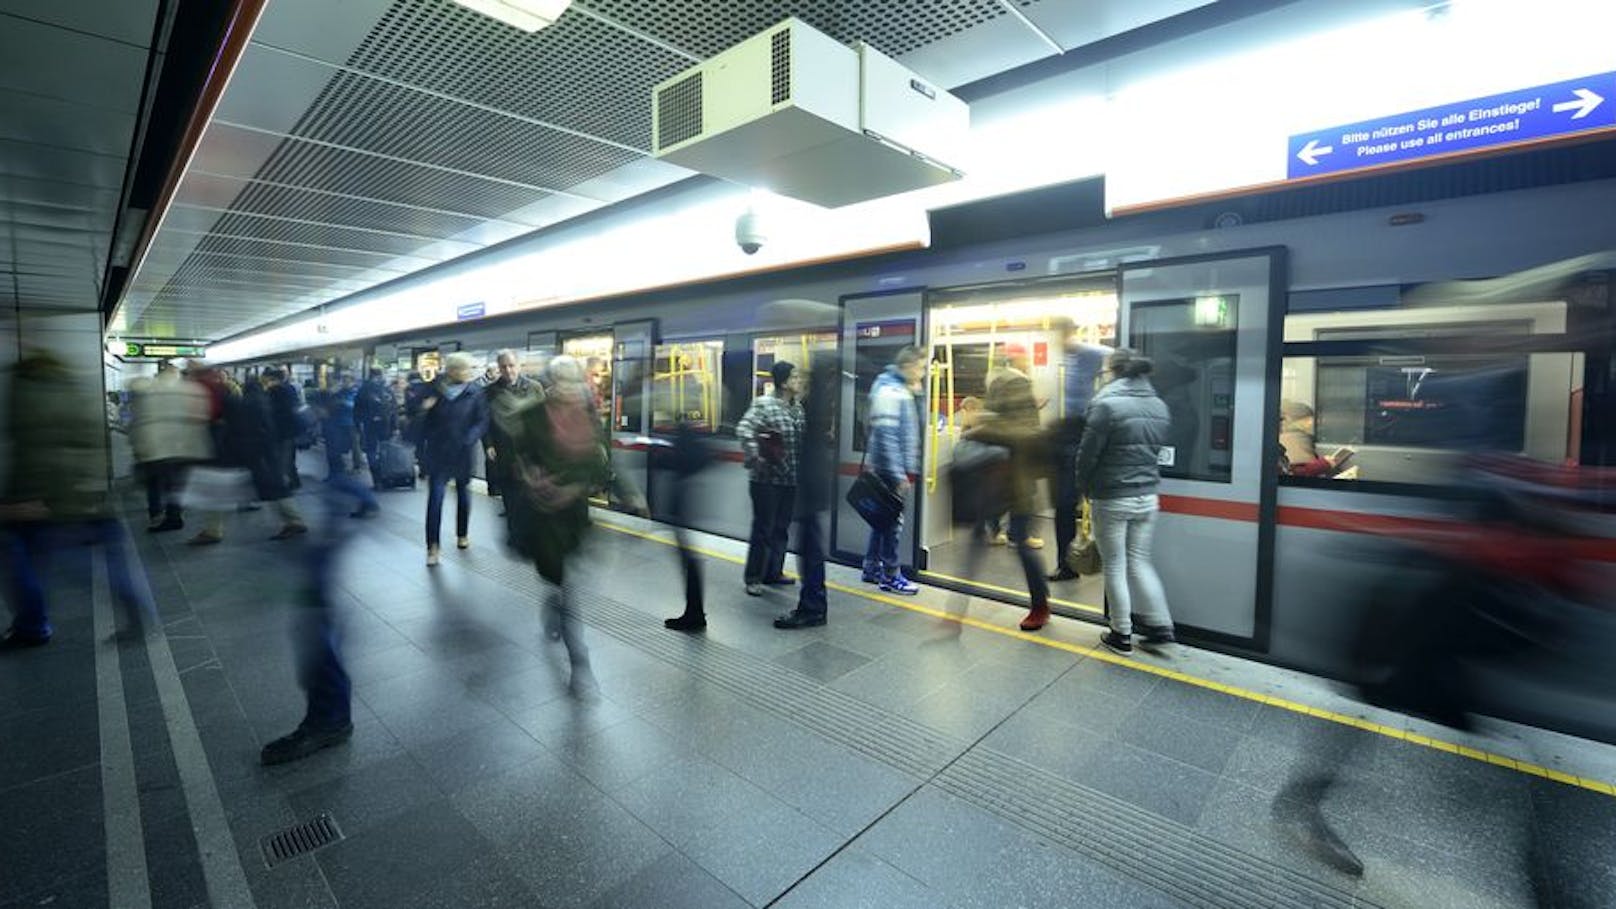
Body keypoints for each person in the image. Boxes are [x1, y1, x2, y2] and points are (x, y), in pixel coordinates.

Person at [498, 355, 645, 694]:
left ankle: (555, 606)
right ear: (550, 384)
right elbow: (512, 460)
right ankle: (580, 663)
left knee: (568, 583)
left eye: (572, 381)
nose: (567, 389)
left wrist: (631, 494)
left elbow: (602, 460)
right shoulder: (530, 416)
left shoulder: (586, 417)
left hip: (575, 515)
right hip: (543, 517)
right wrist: (530, 476)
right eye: (561, 382)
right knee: (567, 586)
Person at [2, 351, 155, 648]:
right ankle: (138, 612)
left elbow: (32, 457)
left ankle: (32, 626)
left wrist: (21, 500)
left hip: (48, 503)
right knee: (109, 565)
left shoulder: (26, 396)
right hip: (90, 497)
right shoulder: (78, 393)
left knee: (35, 563)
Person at [1075, 348, 1175, 655]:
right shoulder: (1159, 405)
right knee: (1139, 560)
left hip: (1113, 497)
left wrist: (1084, 488)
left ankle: (1121, 633)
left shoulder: (1105, 404)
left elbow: (1087, 455)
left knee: (1115, 565)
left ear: (1112, 370)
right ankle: (1160, 624)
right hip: (1147, 497)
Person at [965, 359, 1053, 631]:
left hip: (1017, 484)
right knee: (981, 536)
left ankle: (1040, 604)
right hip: (995, 481)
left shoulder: (1018, 405)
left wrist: (984, 428)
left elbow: (1022, 437)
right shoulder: (1007, 400)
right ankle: (955, 609)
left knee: (1021, 543)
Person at [775, 352, 837, 629]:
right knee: (809, 548)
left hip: (810, 487)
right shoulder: (820, 401)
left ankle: (812, 607)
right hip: (813, 484)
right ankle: (812, 604)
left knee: (809, 550)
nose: (800, 380)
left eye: (804, 375)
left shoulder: (814, 402)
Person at [735, 360, 804, 596]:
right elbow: (744, 429)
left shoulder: (797, 408)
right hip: (765, 481)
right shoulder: (764, 405)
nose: (799, 382)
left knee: (781, 528)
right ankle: (753, 577)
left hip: (790, 479)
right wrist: (757, 456)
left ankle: (773, 572)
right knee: (763, 529)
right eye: (795, 378)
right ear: (784, 382)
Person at [1050, 320, 1111, 580]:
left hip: (1080, 430)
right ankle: (1067, 564)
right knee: (1062, 506)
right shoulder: (1061, 358)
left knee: (1066, 504)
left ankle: (1074, 564)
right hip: (1062, 432)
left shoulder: (1088, 353)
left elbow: (1114, 356)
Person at [862, 345, 925, 595]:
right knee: (892, 525)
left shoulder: (901, 389)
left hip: (893, 467)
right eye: (920, 367)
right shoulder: (890, 391)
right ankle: (890, 576)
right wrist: (899, 475)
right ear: (908, 366)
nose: (923, 372)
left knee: (882, 521)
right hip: (890, 470)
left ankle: (870, 567)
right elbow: (886, 436)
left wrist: (917, 395)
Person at [416, 352, 489, 565]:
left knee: (463, 496)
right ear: (452, 371)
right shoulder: (434, 390)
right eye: (466, 369)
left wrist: (471, 437)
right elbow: (421, 421)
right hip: (438, 453)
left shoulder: (475, 393)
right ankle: (432, 547)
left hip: (463, 453)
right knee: (435, 499)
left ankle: (462, 533)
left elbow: (482, 420)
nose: (470, 373)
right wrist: (423, 409)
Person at [129, 360, 212, 532]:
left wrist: (137, 445)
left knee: (154, 484)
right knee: (177, 484)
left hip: (155, 447)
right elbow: (201, 419)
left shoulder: (149, 390)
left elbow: (139, 421)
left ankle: (156, 516)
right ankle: (174, 515)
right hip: (184, 447)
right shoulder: (194, 390)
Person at [661, 419, 715, 632]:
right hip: (692, 502)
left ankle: (694, 614)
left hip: (685, 504)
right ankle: (695, 612)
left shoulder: (683, 435)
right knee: (690, 558)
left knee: (689, 559)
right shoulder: (694, 434)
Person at [482, 350, 539, 512]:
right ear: (499, 368)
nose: (508, 370)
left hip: (529, 449)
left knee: (531, 492)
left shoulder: (533, 388)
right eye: (503, 367)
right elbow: (485, 421)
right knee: (510, 492)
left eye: (511, 366)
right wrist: (488, 445)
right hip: (504, 449)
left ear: (519, 366)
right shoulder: (489, 391)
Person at [1279, 400, 1354, 478]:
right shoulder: (1295, 438)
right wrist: (1325, 463)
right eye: (1307, 419)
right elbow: (1298, 472)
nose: (1311, 423)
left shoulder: (1292, 437)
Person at [353, 368, 396, 475]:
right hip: (385, 423)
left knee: (371, 449)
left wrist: (357, 424)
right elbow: (393, 408)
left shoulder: (364, 390)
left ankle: (376, 474)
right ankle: (386, 472)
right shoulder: (387, 389)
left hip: (369, 423)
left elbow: (357, 409)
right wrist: (395, 426)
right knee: (385, 447)